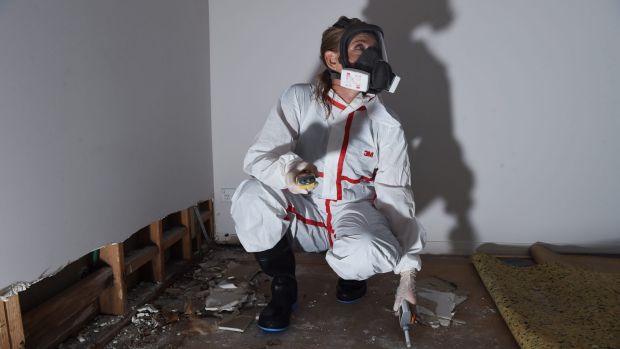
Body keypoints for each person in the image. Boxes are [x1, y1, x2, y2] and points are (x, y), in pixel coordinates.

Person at [230, 16, 426, 332]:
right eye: (360, 48)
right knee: (251, 196)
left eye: (374, 49)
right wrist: (297, 174)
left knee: (367, 250)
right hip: (303, 206)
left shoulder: (387, 124)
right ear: (333, 58)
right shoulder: (299, 99)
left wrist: (407, 276)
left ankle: (351, 274)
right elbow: (258, 159)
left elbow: (396, 195)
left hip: (353, 210)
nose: (370, 57)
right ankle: (283, 286)